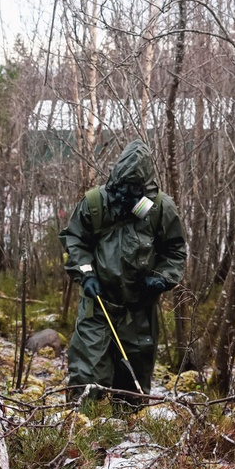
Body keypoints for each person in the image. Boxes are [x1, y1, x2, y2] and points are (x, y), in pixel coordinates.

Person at [59, 139, 186, 401]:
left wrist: (161, 278)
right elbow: (75, 241)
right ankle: (81, 430)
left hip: (139, 310)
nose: (126, 196)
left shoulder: (159, 208)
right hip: (98, 306)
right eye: (122, 189)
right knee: (86, 375)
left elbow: (174, 250)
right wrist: (87, 274)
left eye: (134, 191)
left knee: (133, 382)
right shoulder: (96, 203)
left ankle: (130, 434)